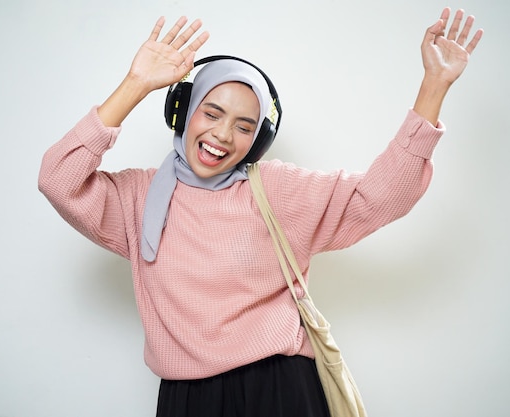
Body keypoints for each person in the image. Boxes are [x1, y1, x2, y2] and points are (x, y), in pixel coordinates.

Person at [38, 8, 483, 417]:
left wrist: (433, 87)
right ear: (183, 111)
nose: (223, 136)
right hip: (186, 401)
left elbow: (381, 196)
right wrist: (135, 84)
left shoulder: (274, 189)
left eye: (244, 126)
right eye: (211, 113)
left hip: (279, 391)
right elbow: (58, 178)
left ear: (259, 139)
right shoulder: (136, 198)